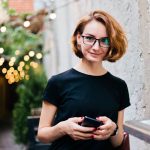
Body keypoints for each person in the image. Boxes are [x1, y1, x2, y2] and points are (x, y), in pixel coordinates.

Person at [37, 9, 130, 150]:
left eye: (104, 40)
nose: (96, 47)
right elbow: (42, 134)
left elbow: (117, 143)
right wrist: (63, 128)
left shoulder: (119, 86)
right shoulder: (58, 82)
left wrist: (114, 130)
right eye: (90, 38)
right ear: (79, 38)